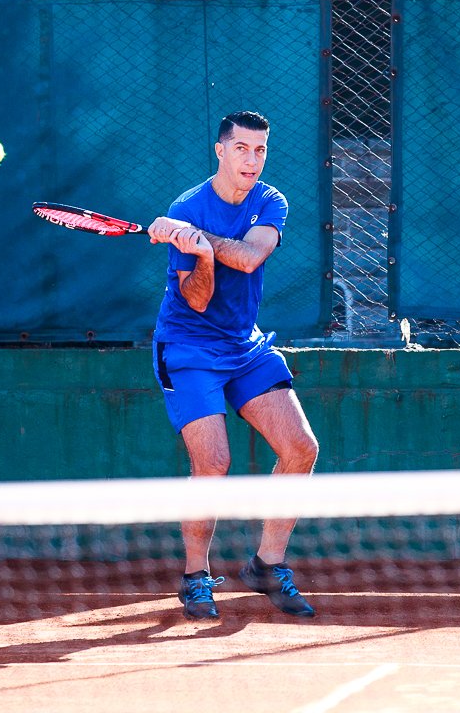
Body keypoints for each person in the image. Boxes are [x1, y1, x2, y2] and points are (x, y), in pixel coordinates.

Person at [147, 111, 320, 620]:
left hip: (244, 345)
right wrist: (196, 255)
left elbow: (249, 258)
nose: (252, 159)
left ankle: (267, 565)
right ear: (220, 151)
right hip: (188, 346)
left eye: (260, 150)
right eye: (241, 148)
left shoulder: (271, 201)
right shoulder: (187, 206)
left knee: (301, 448)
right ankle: (195, 575)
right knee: (214, 463)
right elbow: (197, 301)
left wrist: (200, 239)